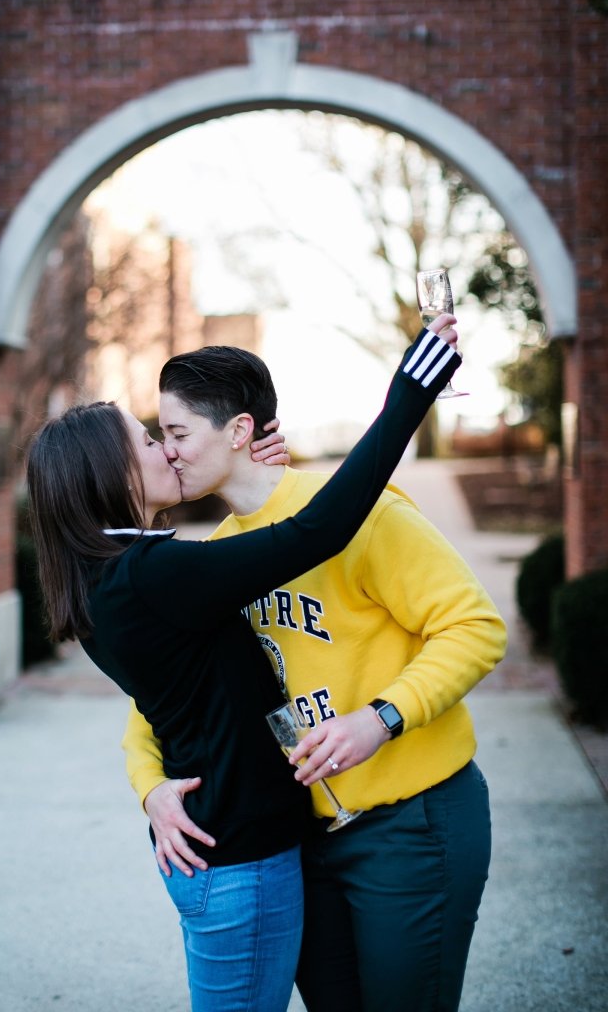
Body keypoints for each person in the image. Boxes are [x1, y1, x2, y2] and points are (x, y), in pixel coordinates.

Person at [25, 319, 462, 1012]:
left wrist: (249, 464)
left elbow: (177, 703)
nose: (168, 451)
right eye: (151, 440)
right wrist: (411, 392)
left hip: (241, 847)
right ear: (109, 473)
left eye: (171, 434)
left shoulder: (112, 577)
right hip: (240, 863)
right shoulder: (152, 575)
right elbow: (317, 531)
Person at [122, 332, 507, 1012]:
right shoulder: (213, 558)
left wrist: (380, 718)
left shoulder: (362, 513)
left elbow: (474, 626)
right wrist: (152, 789)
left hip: (410, 825)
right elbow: (158, 700)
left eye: (176, 431)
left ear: (239, 431)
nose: (167, 450)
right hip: (300, 844)